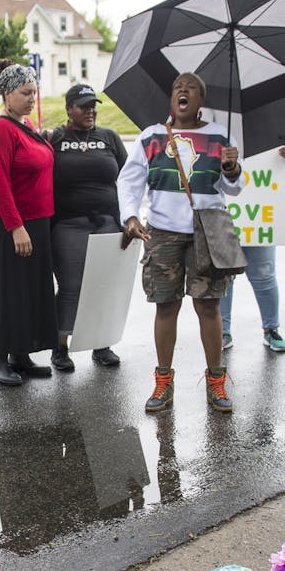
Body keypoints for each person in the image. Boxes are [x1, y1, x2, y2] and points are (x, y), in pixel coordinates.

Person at [118, 72, 245, 413]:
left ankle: (216, 382)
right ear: (171, 99)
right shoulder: (152, 136)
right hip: (162, 232)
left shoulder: (220, 135)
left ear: (201, 100)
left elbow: (234, 188)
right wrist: (130, 216)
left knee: (208, 306)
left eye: (191, 88)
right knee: (166, 305)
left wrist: (232, 169)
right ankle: (163, 381)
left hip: (209, 233)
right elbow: (129, 181)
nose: (183, 90)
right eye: (177, 87)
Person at [0, 63, 58, 387]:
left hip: (37, 222)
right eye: (25, 93)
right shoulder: (0, 129)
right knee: (7, 293)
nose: (31, 98)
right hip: (9, 225)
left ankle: (21, 355)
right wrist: (16, 227)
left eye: (34, 92)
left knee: (29, 292)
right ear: (7, 93)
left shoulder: (24, 126)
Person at [48, 83, 127, 372]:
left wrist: (129, 219)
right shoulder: (56, 138)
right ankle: (60, 347)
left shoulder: (109, 137)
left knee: (103, 287)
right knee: (71, 286)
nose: (90, 110)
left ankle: (101, 345)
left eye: (93, 105)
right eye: (83, 105)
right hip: (69, 224)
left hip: (107, 223)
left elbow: (129, 179)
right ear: (69, 108)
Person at [219, 142, 285, 354]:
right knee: (223, 277)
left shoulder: (271, 131)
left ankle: (271, 329)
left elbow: (278, 173)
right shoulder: (215, 130)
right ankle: (222, 331)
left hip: (259, 220)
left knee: (264, 276)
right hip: (223, 217)